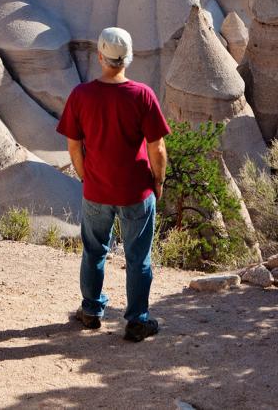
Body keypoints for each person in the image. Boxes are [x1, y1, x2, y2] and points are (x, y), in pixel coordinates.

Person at [56, 27, 170, 342]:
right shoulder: (142, 95)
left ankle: (91, 311)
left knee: (94, 250)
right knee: (138, 257)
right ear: (128, 58)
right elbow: (157, 147)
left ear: (100, 57)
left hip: (96, 190)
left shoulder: (81, 95)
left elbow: (74, 145)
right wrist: (158, 181)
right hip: (136, 190)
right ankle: (136, 321)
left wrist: (84, 176)